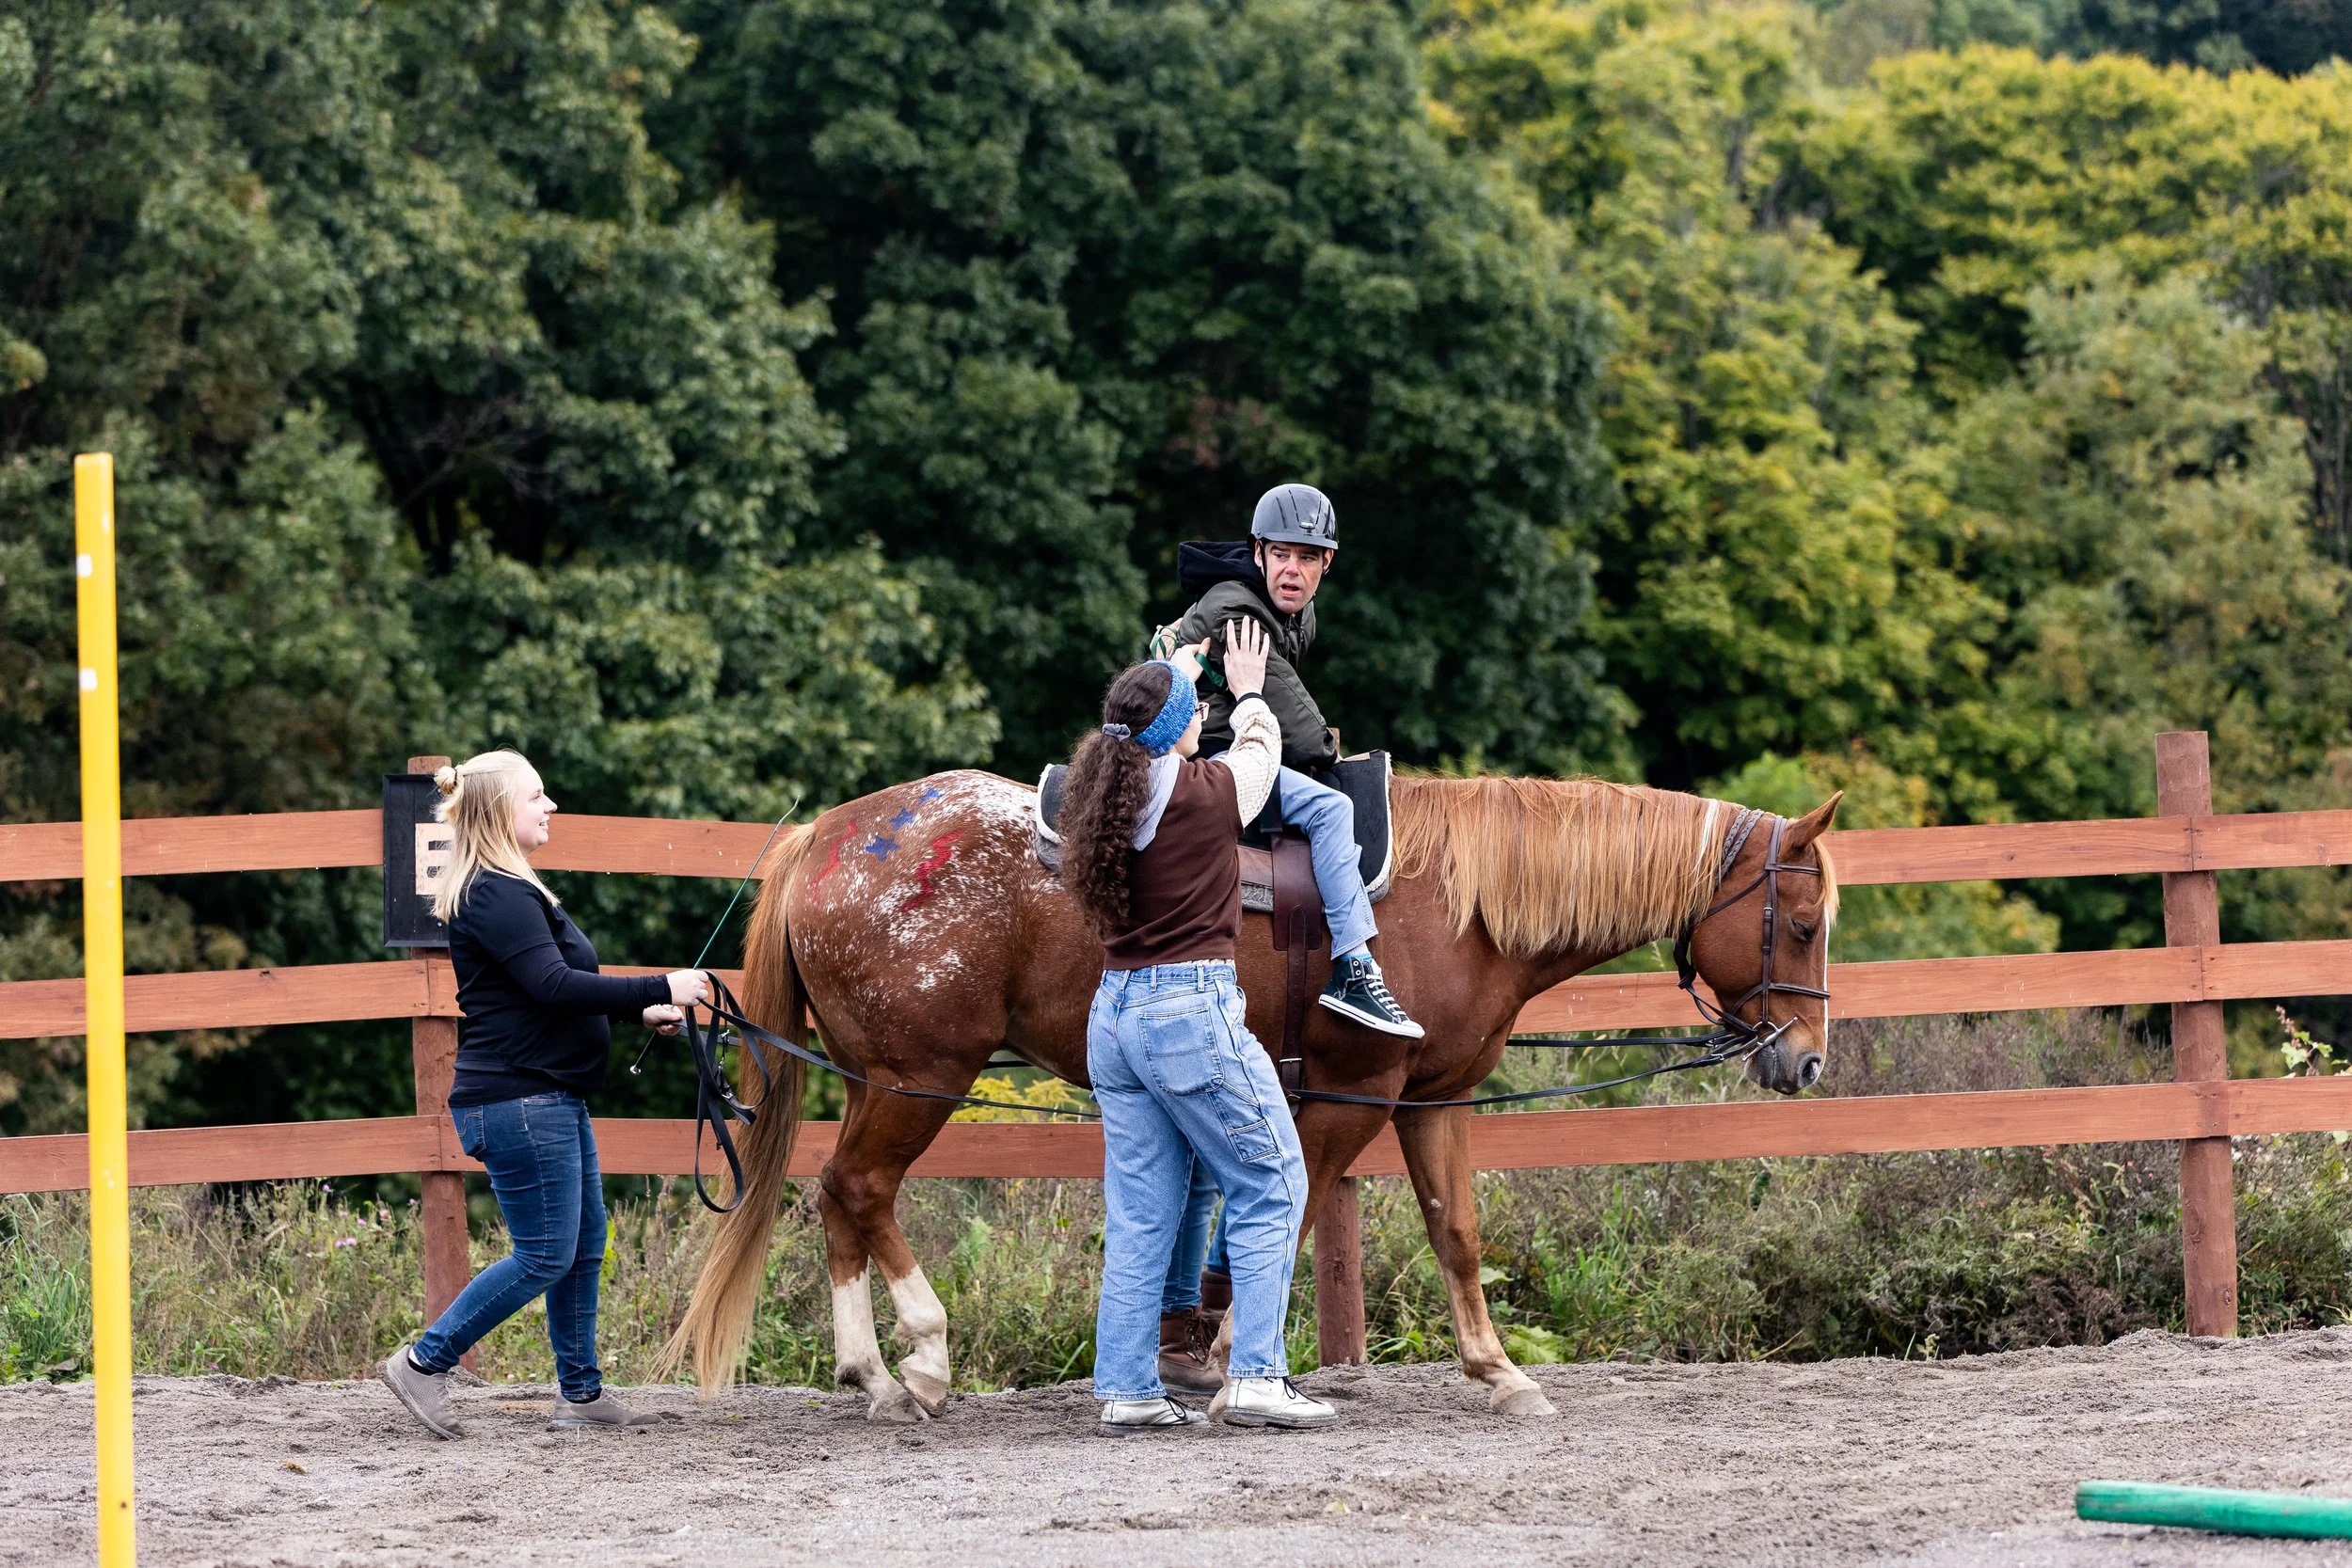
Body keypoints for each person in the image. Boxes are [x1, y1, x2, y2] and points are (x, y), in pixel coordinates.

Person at [380, 750, 711, 1438]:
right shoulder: (496, 892)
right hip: (521, 1103)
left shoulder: (507, 887)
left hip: (543, 1097)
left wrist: (637, 1012)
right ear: (504, 809)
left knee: (584, 1243)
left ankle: (581, 1394)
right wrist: (659, 986)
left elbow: (547, 994)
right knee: (544, 1254)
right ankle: (423, 1361)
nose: (551, 805)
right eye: (538, 796)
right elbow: (553, 987)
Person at [1059, 621, 1336, 1434]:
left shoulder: (1106, 793)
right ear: (1179, 727)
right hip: (1188, 1011)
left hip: (1114, 1017)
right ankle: (1255, 1375)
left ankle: (1126, 1389)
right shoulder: (1204, 792)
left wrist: (1173, 667)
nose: (1202, 715)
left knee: (1143, 1211)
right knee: (1275, 1177)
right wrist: (1248, 686)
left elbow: (1149, 715)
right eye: (1194, 709)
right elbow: (1260, 748)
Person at [1152, 482, 1422, 1040]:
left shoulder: (1297, 614)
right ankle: (1353, 967)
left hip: (1230, 740)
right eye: (1279, 555)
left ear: (1328, 562)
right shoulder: (1240, 611)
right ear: (1258, 554)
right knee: (1330, 809)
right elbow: (1306, 738)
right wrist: (1328, 749)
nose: (1291, 570)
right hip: (1208, 757)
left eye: (1305, 557)